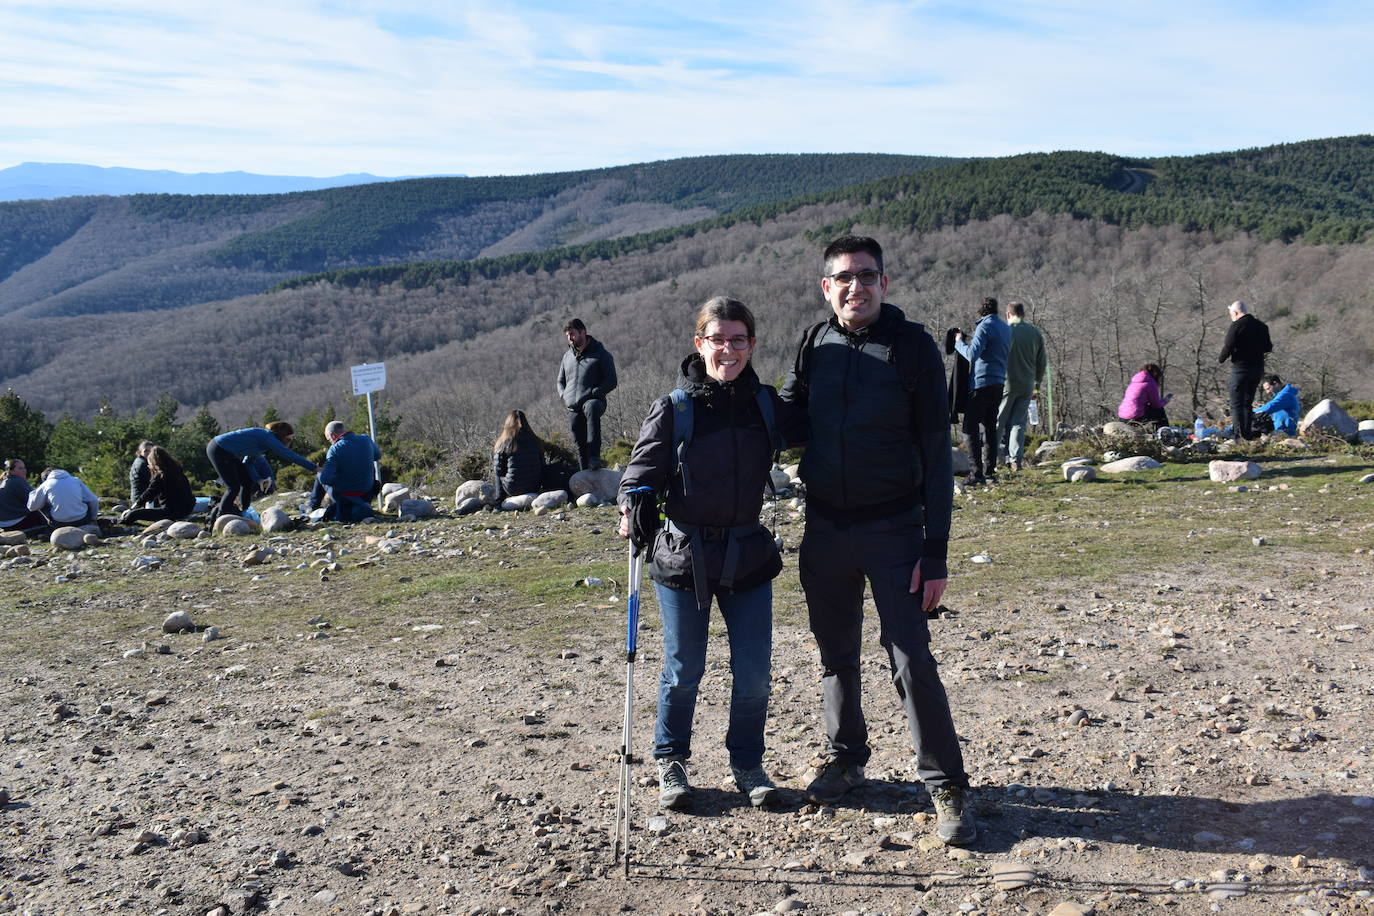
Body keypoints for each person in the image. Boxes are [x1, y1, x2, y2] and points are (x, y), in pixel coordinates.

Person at [778, 236, 975, 846]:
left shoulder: (913, 348)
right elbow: (789, 418)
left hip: (895, 529)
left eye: (867, 276)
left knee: (911, 657)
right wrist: (720, 393)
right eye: (843, 277)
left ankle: (945, 784)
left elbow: (937, 460)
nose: (855, 287)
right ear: (826, 286)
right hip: (825, 526)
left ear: (884, 283)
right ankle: (846, 758)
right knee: (835, 653)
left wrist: (935, 548)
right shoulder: (816, 343)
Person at [617, 296, 802, 811]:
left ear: (752, 345)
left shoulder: (766, 404)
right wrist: (631, 501)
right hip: (683, 555)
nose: (728, 349)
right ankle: (671, 762)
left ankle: (747, 763)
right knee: (684, 668)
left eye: (738, 339)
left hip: (746, 553)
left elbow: (816, 426)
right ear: (700, 344)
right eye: (717, 339)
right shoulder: (676, 407)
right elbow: (641, 469)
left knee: (755, 671)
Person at [207, 422, 318, 520]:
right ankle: (220, 517)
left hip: (229, 453)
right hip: (219, 449)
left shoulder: (264, 443)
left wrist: (259, 480)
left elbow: (248, 463)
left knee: (246, 482)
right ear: (282, 436)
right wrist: (315, 468)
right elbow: (288, 455)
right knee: (233, 487)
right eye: (289, 439)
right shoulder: (267, 437)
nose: (290, 442)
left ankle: (245, 513)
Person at [953, 297, 1010, 485]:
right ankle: (990, 471)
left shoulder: (984, 327)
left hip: (981, 383)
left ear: (981, 312)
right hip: (999, 382)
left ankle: (976, 474)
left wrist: (958, 342)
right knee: (990, 428)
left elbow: (971, 354)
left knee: (970, 428)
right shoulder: (1005, 328)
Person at [556, 318, 617, 470]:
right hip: (573, 405)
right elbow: (560, 381)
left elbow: (612, 380)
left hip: (594, 400)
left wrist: (596, 391)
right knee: (578, 442)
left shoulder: (601, 354)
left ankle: (594, 458)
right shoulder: (567, 357)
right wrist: (564, 395)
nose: (570, 338)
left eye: (572, 334)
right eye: (568, 336)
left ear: (583, 332)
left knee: (592, 408)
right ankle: (584, 472)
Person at [996, 301, 1047, 470]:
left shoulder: (1004, 331)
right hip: (1027, 385)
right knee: (1018, 423)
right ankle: (1015, 460)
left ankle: (993, 459)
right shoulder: (1034, 332)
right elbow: (1041, 363)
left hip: (1006, 383)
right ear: (1023, 314)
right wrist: (1036, 385)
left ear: (1008, 314)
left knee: (998, 422)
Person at [1218, 300, 1272, 440]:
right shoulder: (1262, 326)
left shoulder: (1236, 325)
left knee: (1236, 404)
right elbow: (1268, 347)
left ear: (1235, 312)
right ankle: (1247, 434)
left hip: (1240, 369)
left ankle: (1238, 435)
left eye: (1231, 314)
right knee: (1247, 403)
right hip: (1257, 369)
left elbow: (1228, 346)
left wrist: (1221, 359)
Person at [313, 420, 382, 522]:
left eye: (328, 440)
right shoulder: (366, 439)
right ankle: (364, 503)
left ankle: (313, 507)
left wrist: (337, 477)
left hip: (345, 494)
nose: (330, 442)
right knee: (371, 467)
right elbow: (377, 456)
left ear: (332, 436)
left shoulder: (334, 449)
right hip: (366, 491)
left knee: (320, 474)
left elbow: (325, 479)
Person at [119, 446, 195, 524]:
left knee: (131, 515)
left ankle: (122, 521)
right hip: (187, 509)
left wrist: (131, 509)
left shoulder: (162, 476)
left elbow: (148, 494)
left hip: (172, 512)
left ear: (154, 463)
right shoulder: (178, 471)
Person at [492, 410, 545, 500]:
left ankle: (499, 499)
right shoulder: (535, 440)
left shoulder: (504, 442)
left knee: (498, 472)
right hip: (534, 486)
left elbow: (499, 470)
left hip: (513, 488)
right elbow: (543, 466)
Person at [27, 467, 100, 526]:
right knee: (85, 499)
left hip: (59, 523)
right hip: (82, 520)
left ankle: (50, 526)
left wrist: (33, 493)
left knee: (41, 503)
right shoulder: (76, 480)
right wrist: (93, 518)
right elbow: (94, 500)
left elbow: (32, 506)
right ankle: (91, 524)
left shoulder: (46, 484)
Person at [1117, 363, 1173, 430]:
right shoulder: (1150, 384)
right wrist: (1165, 400)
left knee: (1149, 408)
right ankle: (1164, 432)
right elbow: (1156, 405)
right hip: (1135, 417)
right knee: (1159, 410)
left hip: (1122, 416)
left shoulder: (1134, 382)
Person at [1, 459, 48, 532]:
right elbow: (35, 500)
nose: (24, 470)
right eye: (20, 468)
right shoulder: (17, 481)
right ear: (11, 471)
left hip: (4, 523)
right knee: (42, 512)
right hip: (16, 522)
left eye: (24, 468)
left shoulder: (5, 481)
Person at [129, 440, 155, 506]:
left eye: (150, 451)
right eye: (146, 451)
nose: (148, 453)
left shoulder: (139, 461)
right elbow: (151, 483)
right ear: (140, 452)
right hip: (141, 499)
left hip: (138, 498)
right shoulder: (142, 464)